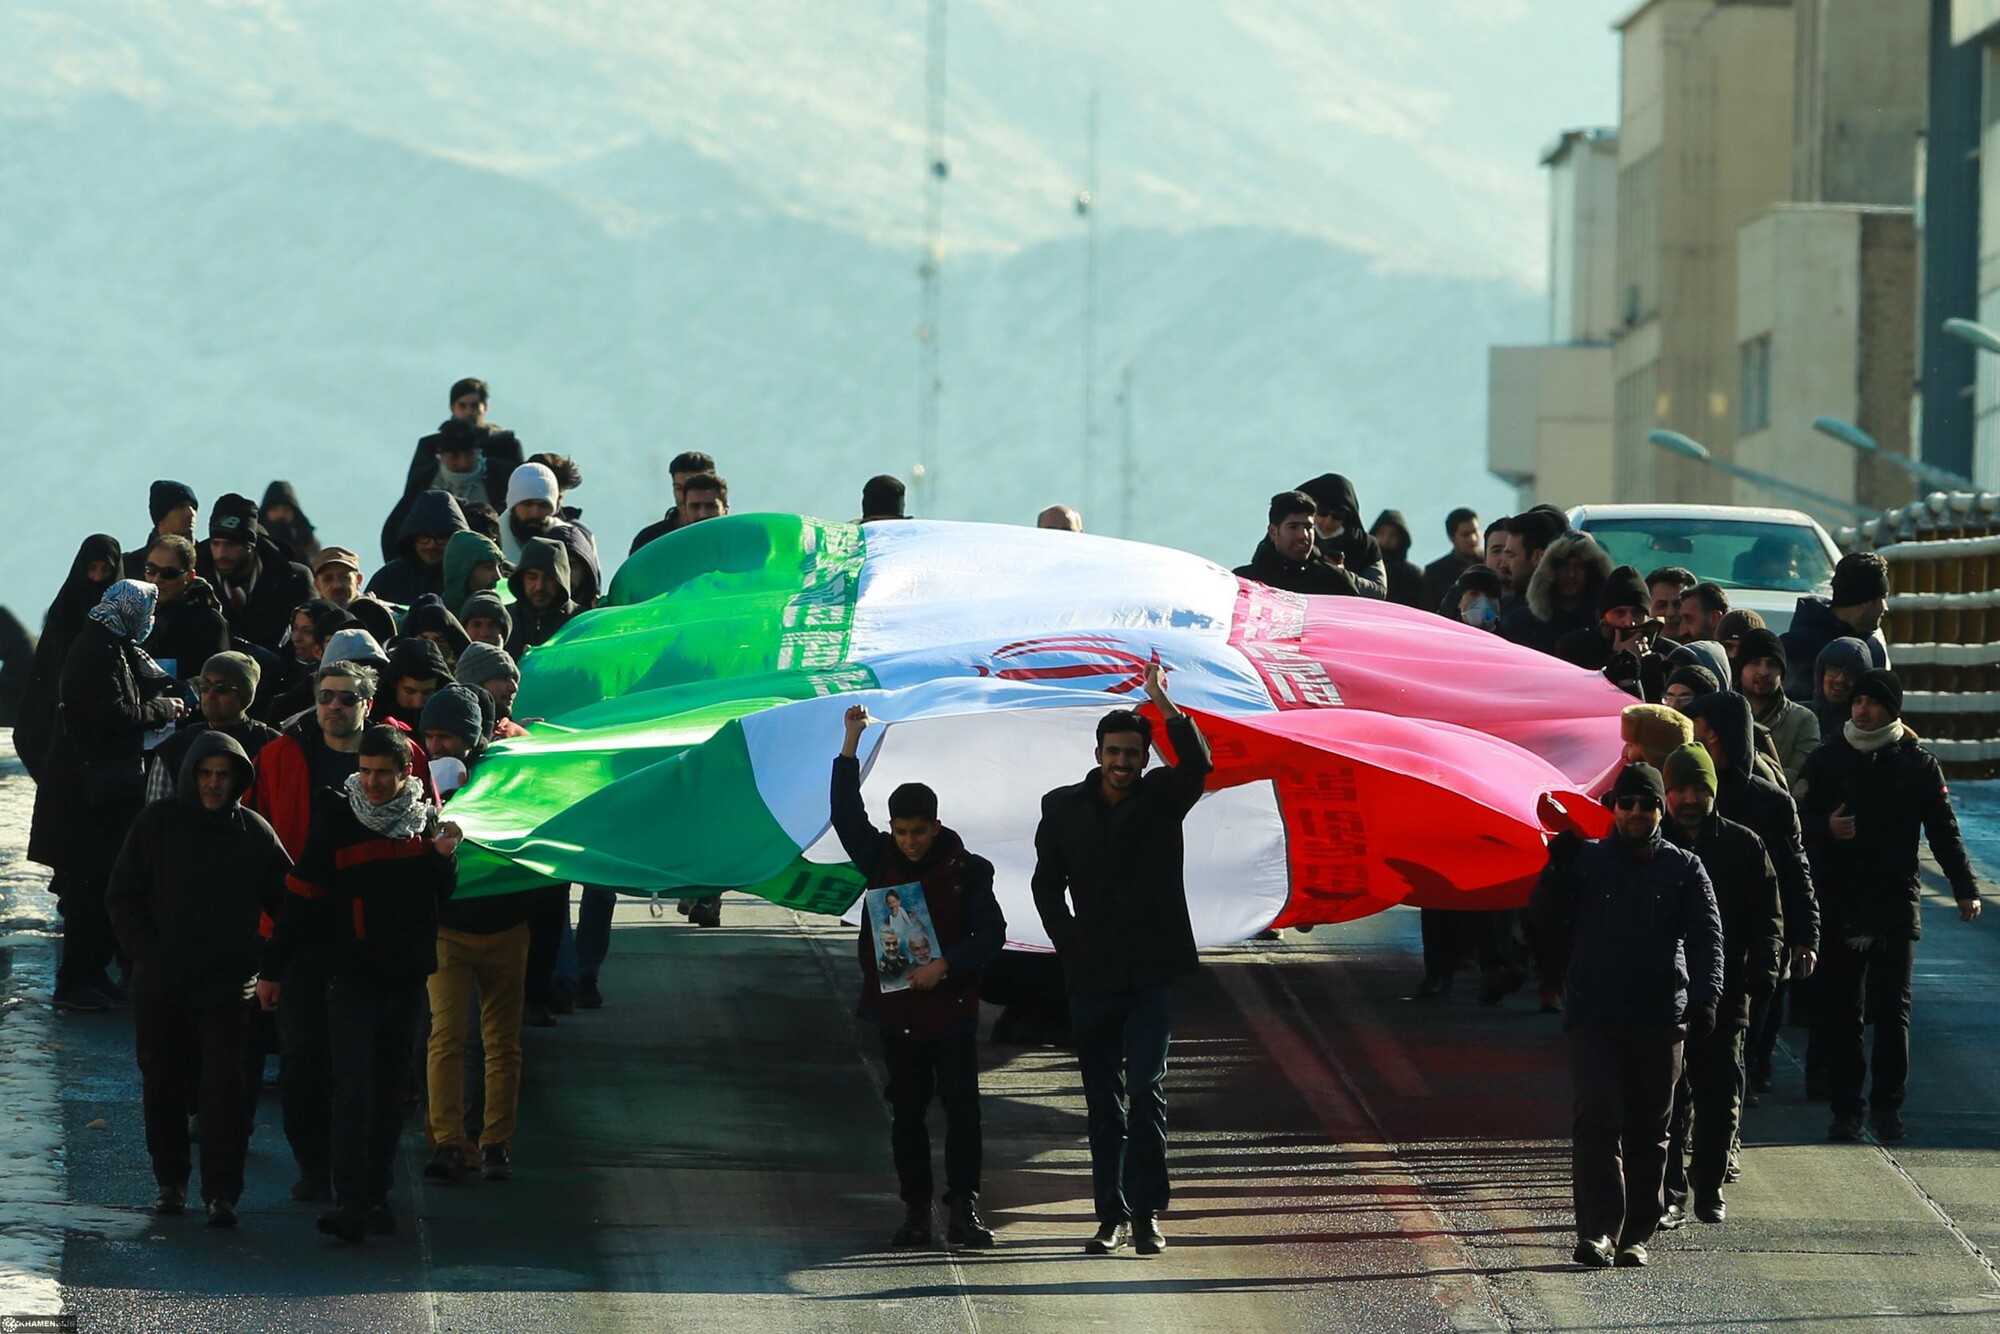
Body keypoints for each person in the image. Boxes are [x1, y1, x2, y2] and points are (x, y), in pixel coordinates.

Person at [1031, 658, 1211, 1257]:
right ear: (1098, 752)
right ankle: (1109, 1216)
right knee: (1102, 1102)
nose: (1122, 762)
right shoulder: (1061, 807)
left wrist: (1161, 701)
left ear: (1144, 757)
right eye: (1113, 752)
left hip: (1152, 971)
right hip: (1092, 975)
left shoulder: (1163, 797)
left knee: (1145, 1087)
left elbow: (1200, 764)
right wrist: (1069, 941)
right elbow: (1045, 885)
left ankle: (1146, 1215)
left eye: (1132, 753)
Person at [258, 726, 460, 1242]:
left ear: (406, 774)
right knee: (352, 1089)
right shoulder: (338, 816)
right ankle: (350, 1200)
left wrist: (443, 859)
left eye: (383, 774)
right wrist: (273, 969)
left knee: (391, 1093)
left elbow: (439, 898)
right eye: (365, 772)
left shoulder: (422, 824)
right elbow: (302, 894)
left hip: (405, 978)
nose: (372, 783)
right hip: (350, 976)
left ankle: (375, 1195)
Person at [1528, 762, 1723, 1269]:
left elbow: (1707, 938)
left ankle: (1637, 1233)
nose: (1637, 812)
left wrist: (1706, 997)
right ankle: (1598, 1232)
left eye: (1648, 804)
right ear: (1613, 808)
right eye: (1628, 803)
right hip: (1594, 1015)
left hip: (1659, 1019)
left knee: (1649, 1131)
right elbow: (1543, 920)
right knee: (1597, 1121)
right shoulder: (1587, 861)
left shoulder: (1684, 868)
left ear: (1661, 810)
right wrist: (1557, 869)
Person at [833, 704, 1006, 1248]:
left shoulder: (969, 870)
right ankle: (914, 1212)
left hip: (951, 1015)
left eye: (919, 832)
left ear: (936, 825)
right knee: (907, 1115)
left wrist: (944, 964)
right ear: (892, 829)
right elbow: (844, 813)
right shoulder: (878, 859)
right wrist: (850, 742)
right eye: (902, 832)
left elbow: (991, 935)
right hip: (899, 1016)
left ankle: (964, 1209)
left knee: (962, 1112)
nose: (911, 841)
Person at [106, 732, 290, 1227]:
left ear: (237, 779)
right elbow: (122, 896)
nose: (213, 784)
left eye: (222, 775)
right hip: (162, 983)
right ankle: (170, 1181)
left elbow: (288, 904)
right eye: (205, 774)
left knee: (224, 1091)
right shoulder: (156, 824)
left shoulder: (253, 832)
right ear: (191, 775)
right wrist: (149, 954)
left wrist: (269, 963)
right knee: (163, 1084)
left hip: (228, 986)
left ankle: (222, 1192)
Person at [1796, 670, 1981, 1143]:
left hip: (1895, 903)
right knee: (1844, 1012)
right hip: (1840, 902)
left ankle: (1887, 1107)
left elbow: (1943, 830)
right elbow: (1793, 821)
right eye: (1858, 700)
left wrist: (1964, 888)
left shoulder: (1917, 764)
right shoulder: (1827, 759)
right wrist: (1825, 828)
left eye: (1873, 702)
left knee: (1893, 1011)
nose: (1862, 710)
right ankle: (1846, 1109)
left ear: (1892, 710)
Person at [250, 659, 379, 1202]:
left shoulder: (393, 756)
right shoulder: (280, 756)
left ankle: (357, 1172)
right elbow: (257, 837)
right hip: (297, 926)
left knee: (360, 1060)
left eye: (347, 698)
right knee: (301, 1056)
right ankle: (314, 1164)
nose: (334, 706)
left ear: (367, 705)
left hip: (368, 932)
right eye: (326, 696)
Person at [28, 580, 188, 1011]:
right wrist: (164, 710)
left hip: (97, 793)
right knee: (88, 890)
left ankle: (92, 974)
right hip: (85, 799)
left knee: (98, 887)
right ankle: (76, 980)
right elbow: (111, 714)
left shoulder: (109, 644)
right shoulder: (95, 650)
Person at [1656, 744, 1782, 1228]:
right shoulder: (1650, 844)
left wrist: (1765, 966)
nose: (1690, 799)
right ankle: (1670, 1192)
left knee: (1719, 1095)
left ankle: (1708, 1186)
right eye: (1680, 789)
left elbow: (1768, 916)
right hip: (1662, 992)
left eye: (1699, 789)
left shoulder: (1743, 845)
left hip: (1726, 991)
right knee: (1666, 1100)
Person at [419, 683, 532, 1185]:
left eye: (445, 737)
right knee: (447, 1036)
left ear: (470, 740)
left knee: (501, 1041)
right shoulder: (419, 780)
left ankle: (495, 1143)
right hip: (449, 930)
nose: (435, 746)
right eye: (430, 736)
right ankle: (448, 1141)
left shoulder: (507, 774)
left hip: (507, 927)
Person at [379, 378, 524, 564]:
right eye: (462, 405)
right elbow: (408, 507)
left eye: (474, 405)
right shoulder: (428, 458)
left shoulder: (504, 450)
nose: (469, 412)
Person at [16, 533, 122, 777]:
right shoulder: (64, 612)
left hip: (113, 736)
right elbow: (46, 673)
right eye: (91, 569)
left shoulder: (127, 616)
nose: (97, 577)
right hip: (62, 728)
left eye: (105, 569)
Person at [154, 652, 281, 794]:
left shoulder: (271, 745)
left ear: (244, 694)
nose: (210, 695)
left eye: (221, 688)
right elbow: (158, 805)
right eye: (204, 686)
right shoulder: (175, 747)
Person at [200, 494, 314, 653]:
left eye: (231, 544)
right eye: (215, 544)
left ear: (250, 545)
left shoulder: (292, 579)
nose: (221, 554)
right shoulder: (195, 576)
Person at [1782, 552, 1891, 701]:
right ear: (1865, 602)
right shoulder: (1797, 645)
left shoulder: (1874, 649)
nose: (1886, 608)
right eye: (1882, 598)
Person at [501, 462, 601, 610]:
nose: (535, 513)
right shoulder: (493, 538)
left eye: (543, 505)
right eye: (528, 504)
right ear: (513, 505)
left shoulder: (573, 541)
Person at [1235, 491, 1368, 596]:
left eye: (1308, 527)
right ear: (1273, 532)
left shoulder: (1335, 582)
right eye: (1293, 527)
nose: (1303, 535)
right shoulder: (1245, 580)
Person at [1505, 527, 1612, 657]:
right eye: (1563, 566)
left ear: (1591, 571)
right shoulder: (1522, 623)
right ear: (1549, 570)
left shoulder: (1604, 625)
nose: (1571, 574)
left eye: (1579, 566)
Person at [1734, 629, 1818, 785]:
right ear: (1741, 669)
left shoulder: (1803, 720)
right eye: (1755, 662)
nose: (1764, 672)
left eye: (1771, 664)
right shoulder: (1724, 714)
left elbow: (1800, 776)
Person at [366, 491, 469, 606]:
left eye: (441, 537)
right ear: (412, 539)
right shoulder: (389, 577)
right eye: (424, 537)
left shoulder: (469, 578)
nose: (431, 545)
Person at [1294, 474, 1387, 598]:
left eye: (1337, 515)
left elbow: (1379, 591)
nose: (1328, 521)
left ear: (1347, 517)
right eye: (1323, 512)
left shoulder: (1364, 544)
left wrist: (1340, 574)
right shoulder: (1292, 534)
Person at [503, 537, 579, 660]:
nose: (539, 586)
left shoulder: (580, 622)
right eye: (532, 577)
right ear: (521, 578)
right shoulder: (503, 619)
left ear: (561, 580)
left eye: (549, 578)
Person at [629, 451, 719, 555]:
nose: (684, 496)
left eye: (692, 488)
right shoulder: (651, 540)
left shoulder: (728, 535)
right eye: (679, 488)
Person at [122, 481, 199, 579]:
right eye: (180, 507)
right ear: (160, 517)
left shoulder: (211, 558)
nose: (191, 513)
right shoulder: (128, 567)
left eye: (193, 507)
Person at [1418, 507, 1482, 615]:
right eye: (1465, 535)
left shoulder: (1492, 565)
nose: (1473, 539)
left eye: (1475, 532)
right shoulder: (1435, 573)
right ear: (1452, 538)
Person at [1809, 637, 1870, 738]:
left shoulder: (1869, 726)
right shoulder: (1796, 718)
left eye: (1850, 674)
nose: (1840, 680)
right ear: (1821, 673)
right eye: (1833, 670)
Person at [440, 530, 507, 616]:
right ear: (464, 570)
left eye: (498, 567)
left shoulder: (504, 615)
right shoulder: (438, 618)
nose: (498, 576)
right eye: (488, 567)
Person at [1368, 509, 1424, 608]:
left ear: (1401, 539)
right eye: (1382, 533)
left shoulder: (1414, 575)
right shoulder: (1363, 567)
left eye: (1393, 535)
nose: (1386, 538)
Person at [259, 482, 319, 567]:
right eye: (275, 509)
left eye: (286, 510)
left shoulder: (308, 543)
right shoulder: (254, 542)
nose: (281, 514)